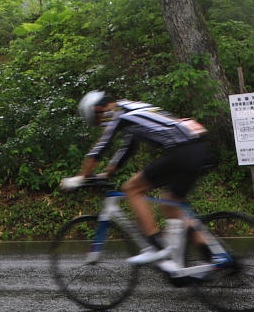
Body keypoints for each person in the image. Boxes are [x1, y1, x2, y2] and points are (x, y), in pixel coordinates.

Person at [61, 91, 214, 265]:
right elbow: (129, 147)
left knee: (132, 188)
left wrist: (81, 177)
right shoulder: (132, 108)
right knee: (172, 204)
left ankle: (154, 247)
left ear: (98, 109)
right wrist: (108, 173)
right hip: (199, 150)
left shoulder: (118, 112)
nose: (101, 124)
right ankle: (214, 257)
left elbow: (101, 147)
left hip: (182, 151)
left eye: (97, 120)